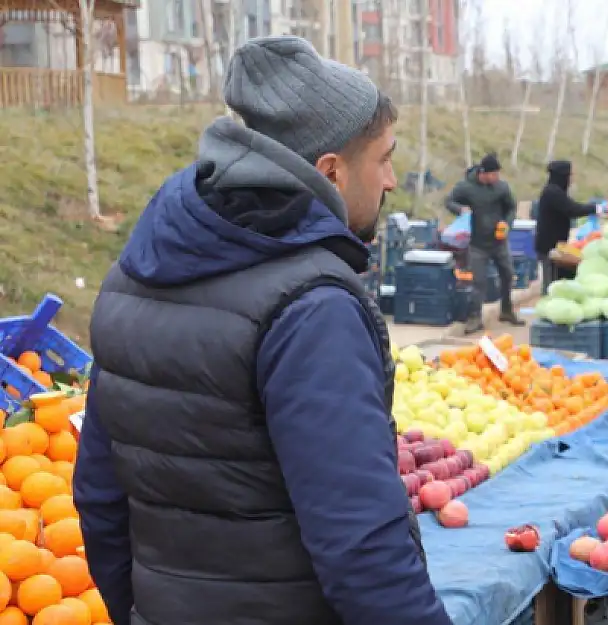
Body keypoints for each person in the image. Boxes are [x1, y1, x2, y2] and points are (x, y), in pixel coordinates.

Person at [72, 36, 452, 625]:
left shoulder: (131, 278)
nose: (392, 180)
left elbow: (99, 495)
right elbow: (361, 547)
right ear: (331, 170)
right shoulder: (313, 307)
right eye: (383, 158)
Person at [445, 153, 524, 333]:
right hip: (478, 244)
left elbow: (511, 207)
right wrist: (460, 209)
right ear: (484, 173)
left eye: (498, 174)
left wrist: (507, 223)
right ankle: (474, 318)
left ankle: (506, 310)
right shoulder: (466, 187)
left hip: (499, 242)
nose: (496, 178)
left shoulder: (501, 188)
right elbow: (449, 201)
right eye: (493, 174)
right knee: (478, 282)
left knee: (507, 274)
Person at [534, 160, 605, 293]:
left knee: (556, 281)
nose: (571, 179)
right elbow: (572, 209)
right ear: (562, 176)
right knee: (551, 283)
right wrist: (594, 208)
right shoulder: (552, 193)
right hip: (550, 246)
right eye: (570, 176)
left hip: (556, 244)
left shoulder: (556, 191)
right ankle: (549, 308)